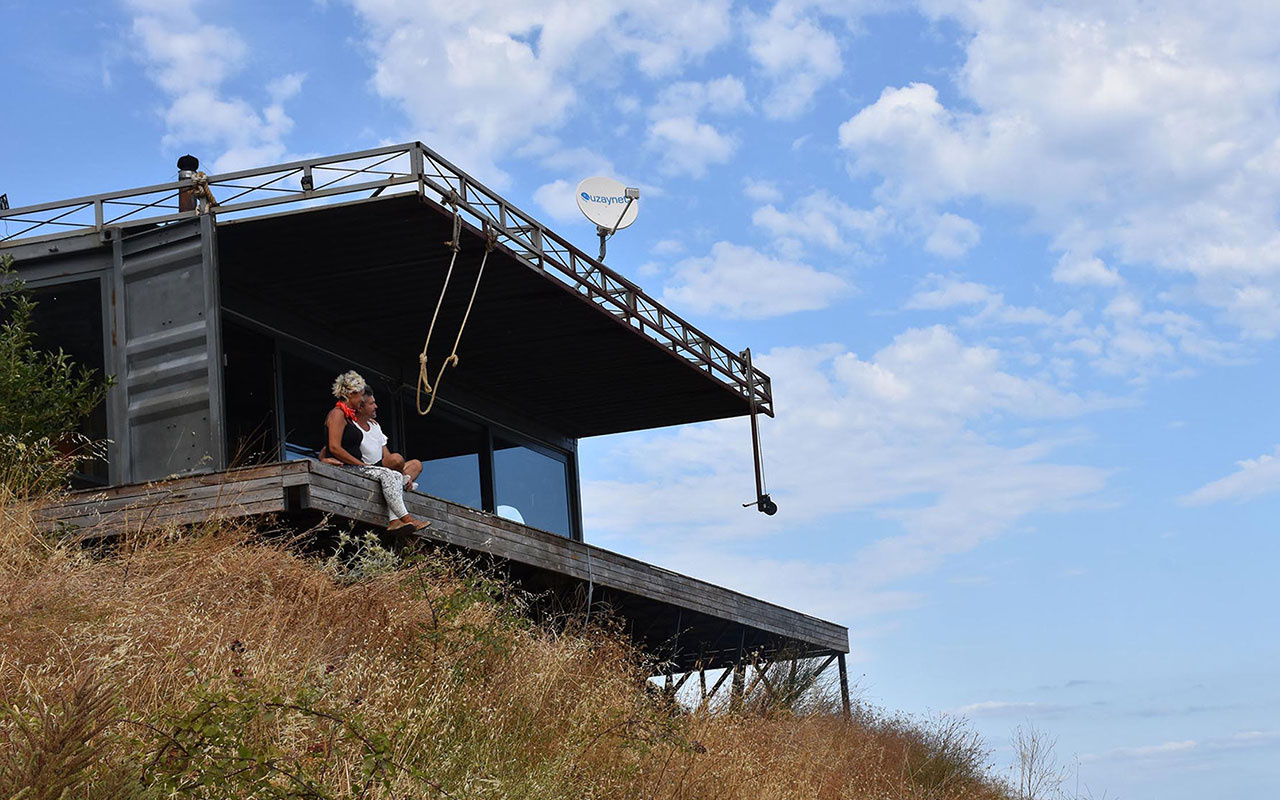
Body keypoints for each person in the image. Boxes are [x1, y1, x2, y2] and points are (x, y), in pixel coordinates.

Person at [322, 370, 428, 532]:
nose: (361, 400)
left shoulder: (347, 416)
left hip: (354, 466)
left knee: (395, 474)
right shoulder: (337, 414)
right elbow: (333, 447)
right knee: (387, 474)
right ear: (352, 394)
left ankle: (394, 520)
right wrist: (361, 465)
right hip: (349, 467)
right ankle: (406, 518)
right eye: (361, 395)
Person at [354, 388, 422, 491]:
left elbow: (387, 455)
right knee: (397, 459)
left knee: (416, 464)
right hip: (368, 469)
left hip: (383, 468)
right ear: (360, 408)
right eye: (371, 404)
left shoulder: (375, 426)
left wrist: (402, 473)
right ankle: (402, 484)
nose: (375, 407)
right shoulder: (351, 426)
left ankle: (401, 482)